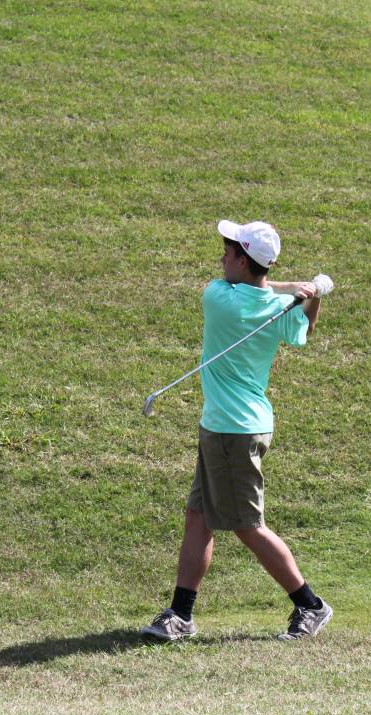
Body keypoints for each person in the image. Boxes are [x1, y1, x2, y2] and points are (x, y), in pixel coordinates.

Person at [141, 219, 332, 642]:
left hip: (234, 432)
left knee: (247, 525)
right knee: (198, 519)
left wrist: (294, 291)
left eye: (228, 252)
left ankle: (310, 605)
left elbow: (263, 293)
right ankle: (180, 614)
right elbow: (303, 332)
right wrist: (310, 297)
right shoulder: (275, 310)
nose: (221, 258)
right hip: (228, 427)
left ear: (243, 261)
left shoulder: (218, 298)